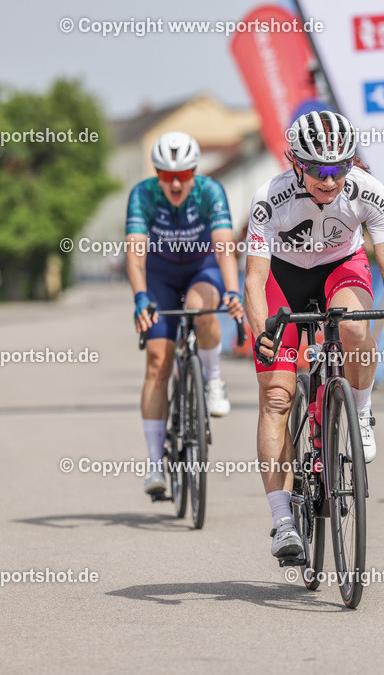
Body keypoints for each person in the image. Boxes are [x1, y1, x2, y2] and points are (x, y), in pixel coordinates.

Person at [245, 110, 384, 559]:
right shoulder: (270, 198)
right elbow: (254, 279)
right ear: (296, 163)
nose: (330, 178)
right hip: (282, 279)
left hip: (339, 268)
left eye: (340, 166)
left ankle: (359, 413)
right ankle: (283, 521)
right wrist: (263, 331)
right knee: (277, 398)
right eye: (320, 169)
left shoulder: (368, 190)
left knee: (352, 325)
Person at [126, 131, 244, 498]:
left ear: (195, 170)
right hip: (160, 275)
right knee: (157, 362)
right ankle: (154, 466)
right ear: (156, 173)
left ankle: (212, 379)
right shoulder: (142, 195)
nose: (175, 183)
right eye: (165, 175)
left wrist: (233, 291)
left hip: (201, 270)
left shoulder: (209, 191)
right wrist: (141, 297)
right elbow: (135, 253)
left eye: (183, 174)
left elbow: (225, 247)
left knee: (202, 309)